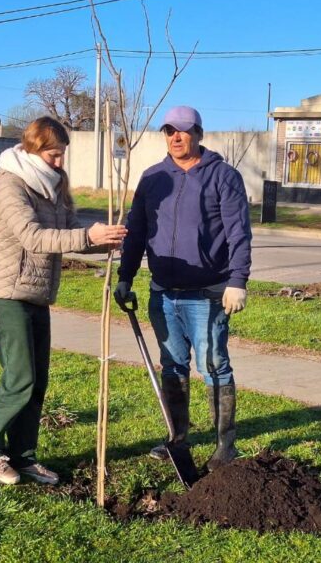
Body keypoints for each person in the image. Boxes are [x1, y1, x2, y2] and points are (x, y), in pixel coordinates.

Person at [0, 116, 127, 485]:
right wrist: (88, 236)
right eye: (54, 155)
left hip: (37, 294)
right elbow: (34, 237)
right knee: (19, 378)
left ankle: (23, 456)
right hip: (8, 293)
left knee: (37, 380)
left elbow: (69, 232)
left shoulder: (53, 185)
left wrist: (101, 240)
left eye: (62, 155)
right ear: (32, 149)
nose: (60, 162)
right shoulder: (10, 184)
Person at [114, 105, 252, 472]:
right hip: (164, 292)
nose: (175, 137)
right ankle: (178, 439)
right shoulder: (153, 177)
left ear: (198, 134)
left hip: (208, 292)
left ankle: (226, 446)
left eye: (183, 130)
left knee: (214, 366)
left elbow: (239, 232)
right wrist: (125, 276)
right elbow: (137, 230)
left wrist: (237, 281)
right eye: (169, 131)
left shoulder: (223, 176)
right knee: (172, 365)